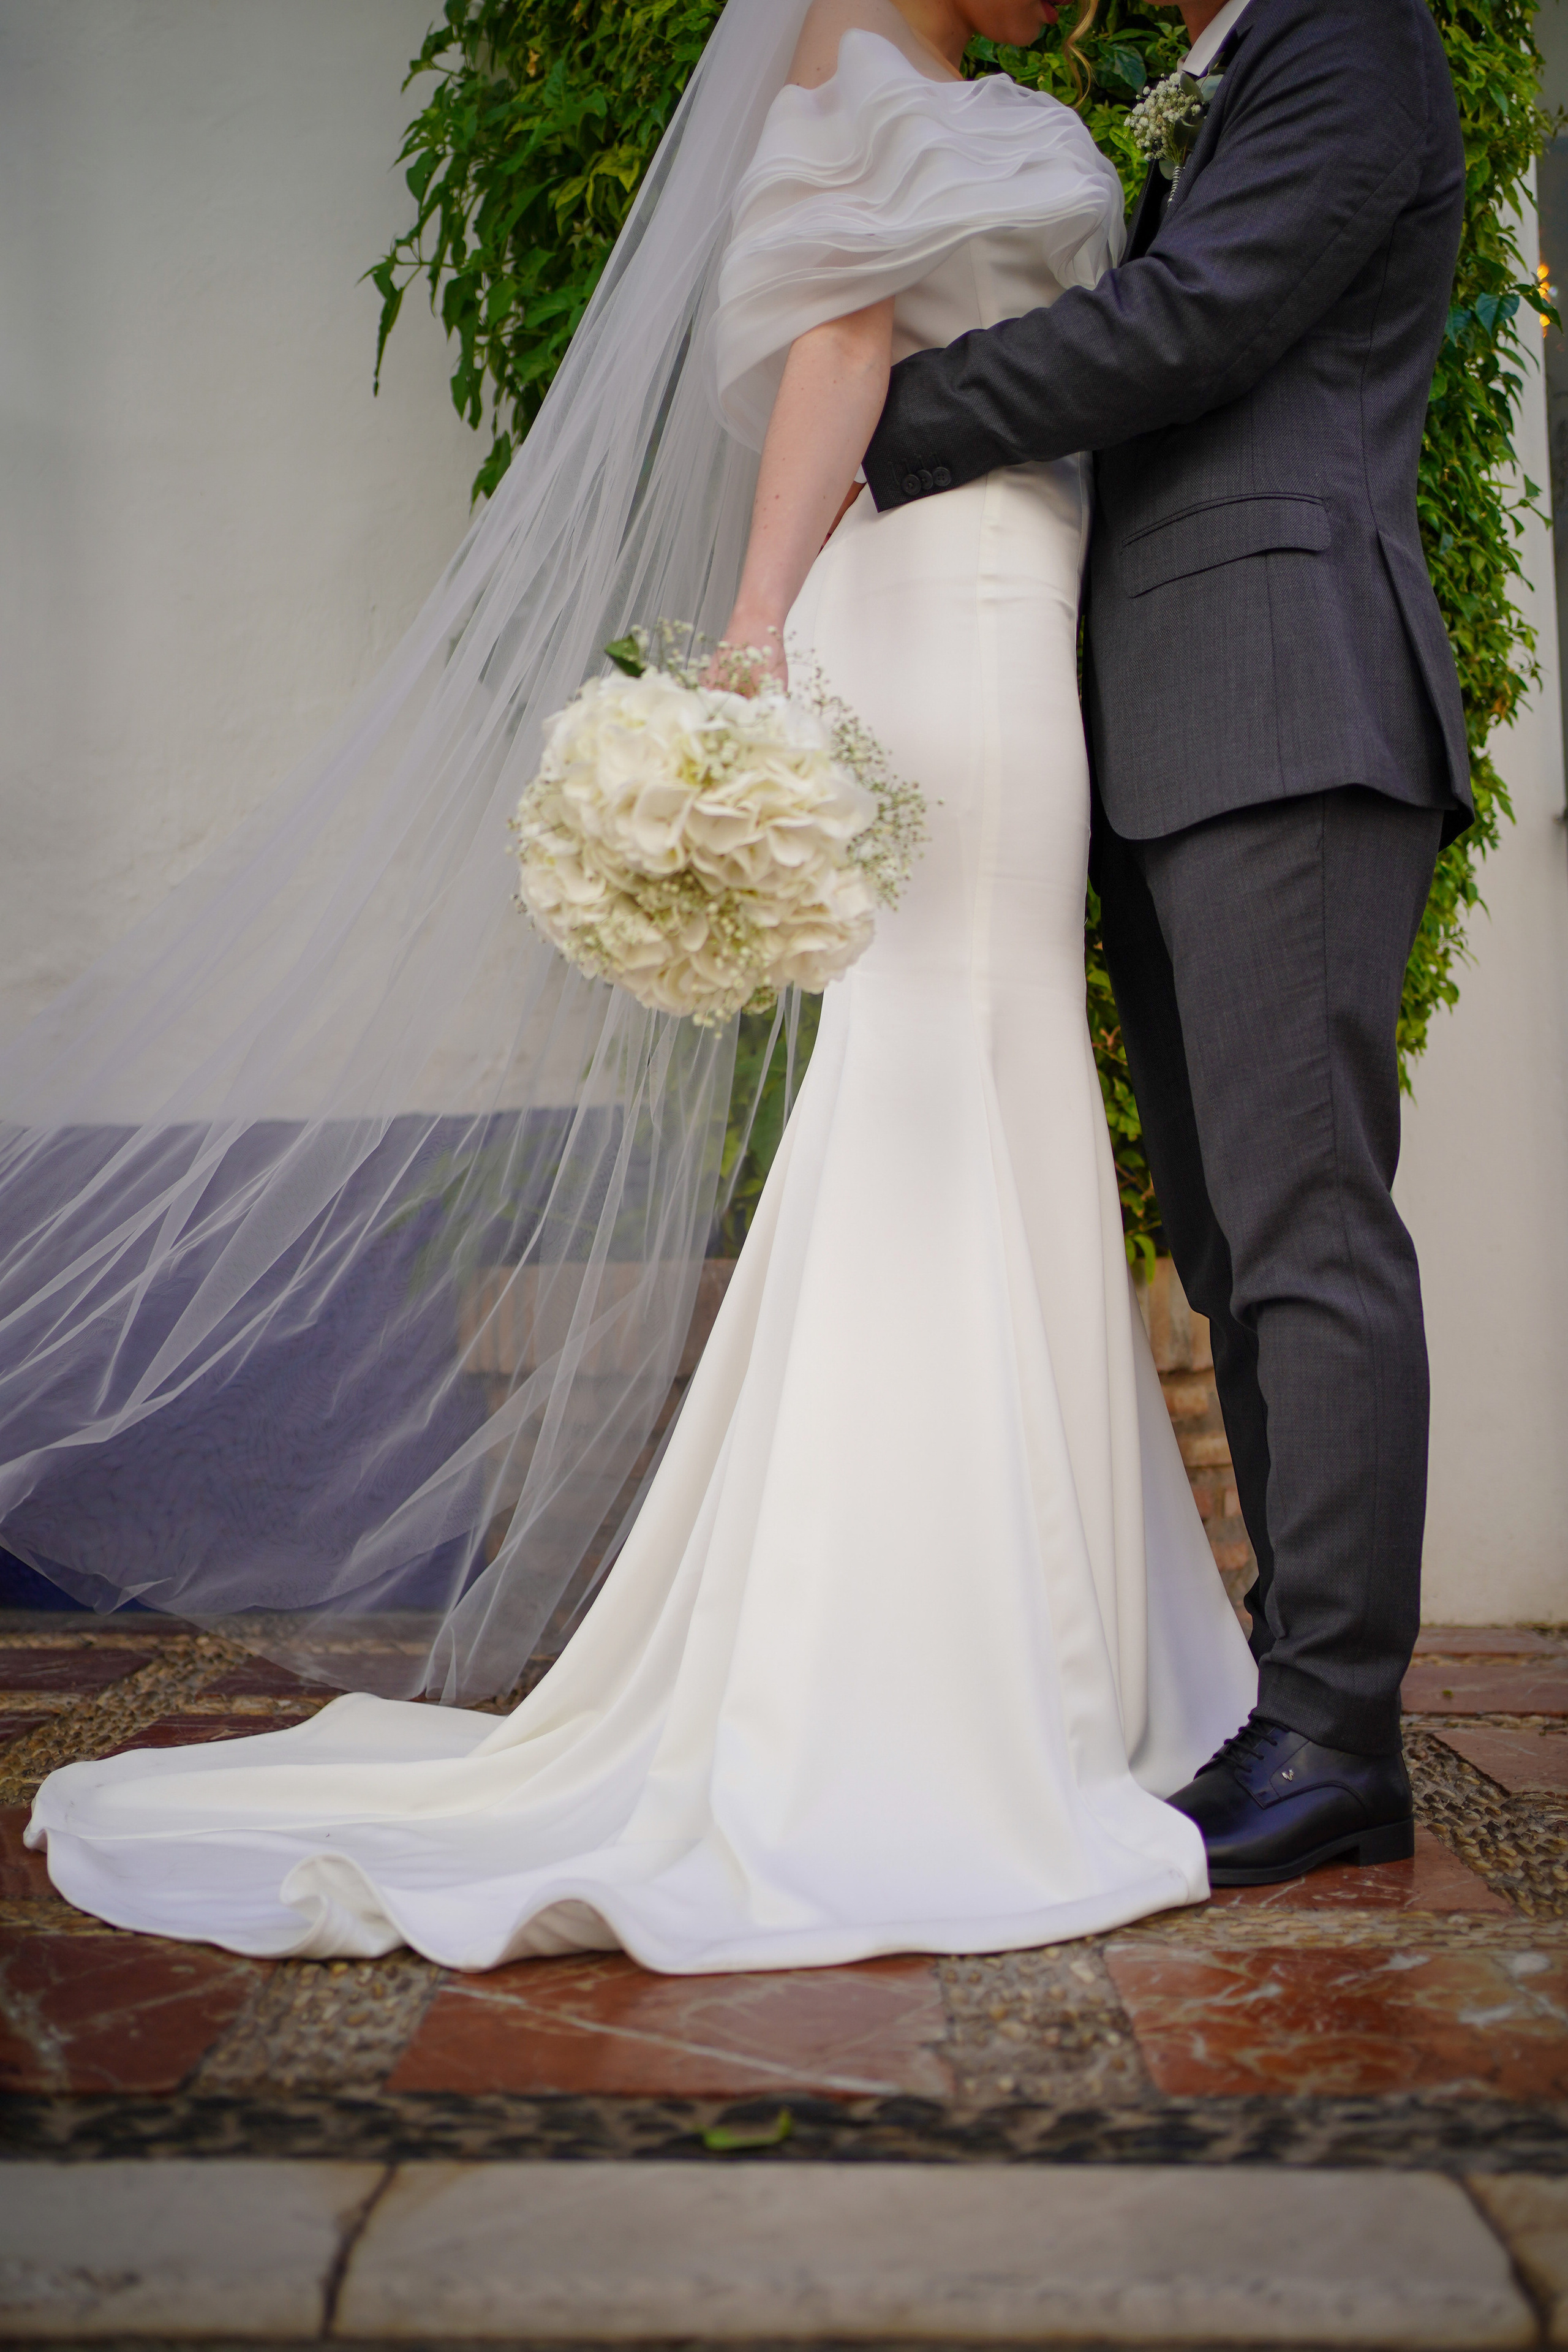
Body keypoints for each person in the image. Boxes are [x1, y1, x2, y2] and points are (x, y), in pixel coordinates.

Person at [24, 0, 1265, 1970]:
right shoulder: (851, 71)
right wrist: (755, 631)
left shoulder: (984, 96)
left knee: (988, 1060)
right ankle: (942, 1669)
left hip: (1017, 598)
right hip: (941, 602)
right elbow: (840, 346)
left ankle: (1028, 1644)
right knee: (943, 1063)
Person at [863, 0, 1468, 1883]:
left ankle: (1337, 1731)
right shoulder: (1233, 74)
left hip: (1290, 699)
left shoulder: (1353, 35)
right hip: (1180, 732)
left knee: (1305, 1227)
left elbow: (1196, 320)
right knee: (1228, 1241)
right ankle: (1301, 1709)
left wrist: (900, 413)